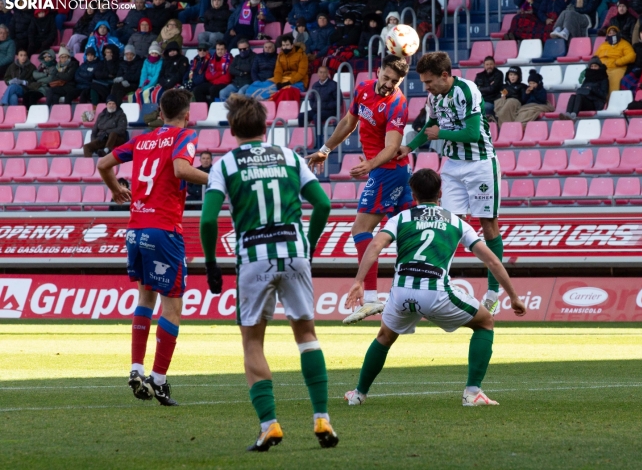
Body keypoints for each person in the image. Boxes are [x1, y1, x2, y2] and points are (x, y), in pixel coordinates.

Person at [199, 94, 337, 451]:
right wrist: (310, 242)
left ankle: (269, 424)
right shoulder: (290, 157)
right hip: (293, 251)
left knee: (253, 342)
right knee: (306, 334)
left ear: (232, 129)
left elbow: (209, 218)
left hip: (254, 257)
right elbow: (323, 203)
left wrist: (212, 263)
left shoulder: (226, 164)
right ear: (265, 126)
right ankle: (322, 417)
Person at [342, 168, 526, 407]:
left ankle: (358, 394)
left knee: (385, 336)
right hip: (436, 292)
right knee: (484, 322)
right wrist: (513, 296)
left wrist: (358, 281)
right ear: (441, 192)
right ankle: (472, 393)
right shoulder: (456, 222)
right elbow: (492, 260)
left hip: (400, 293)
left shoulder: (401, 218)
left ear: (412, 194)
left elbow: (375, 245)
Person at [97, 90, 206, 408]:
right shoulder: (185, 135)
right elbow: (182, 170)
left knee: (145, 297)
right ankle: (158, 380)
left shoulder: (143, 140)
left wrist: (117, 189)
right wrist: (218, 180)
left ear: (159, 112)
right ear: (187, 114)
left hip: (136, 230)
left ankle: (136, 368)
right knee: (172, 306)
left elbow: (104, 164)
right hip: (164, 229)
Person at [306, 55, 411, 323]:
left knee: (361, 230)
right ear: (378, 72)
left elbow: (391, 147)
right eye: (385, 78)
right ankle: (413, 297)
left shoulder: (397, 104)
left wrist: (371, 166)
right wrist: (325, 150)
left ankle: (373, 298)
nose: (388, 84)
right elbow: (348, 123)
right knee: (409, 234)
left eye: (394, 81)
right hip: (389, 171)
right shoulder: (363, 89)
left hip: (387, 171)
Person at [401, 52, 503, 314]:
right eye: (424, 82)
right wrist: (408, 147)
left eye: (429, 81)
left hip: (480, 163)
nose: (427, 87)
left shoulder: (467, 90)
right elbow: (429, 127)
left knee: (488, 227)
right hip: (452, 165)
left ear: (445, 75)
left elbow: (470, 133)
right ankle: (438, 284)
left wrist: (440, 133)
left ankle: (493, 292)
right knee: (447, 226)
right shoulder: (434, 96)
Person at [594, 25, 636, 95]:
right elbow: (595, 57)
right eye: (610, 33)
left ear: (618, 33)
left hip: (617, 68)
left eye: (614, 32)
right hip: (603, 69)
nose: (612, 34)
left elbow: (632, 56)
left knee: (613, 87)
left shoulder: (624, 43)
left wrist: (618, 62)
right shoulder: (603, 45)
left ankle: (612, 102)